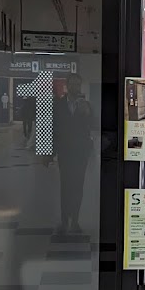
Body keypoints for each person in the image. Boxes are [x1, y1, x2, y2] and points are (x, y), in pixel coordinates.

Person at [53, 74, 92, 234]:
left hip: (81, 153)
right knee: (65, 186)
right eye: (73, 85)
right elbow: (53, 129)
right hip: (65, 152)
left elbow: (94, 125)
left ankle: (75, 221)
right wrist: (48, 153)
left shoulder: (86, 106)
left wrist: (88, 113)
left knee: (78, 187)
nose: (76, 88)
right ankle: (64, 221)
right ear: (67, 86)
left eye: (78, 85)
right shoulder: (58, 105)